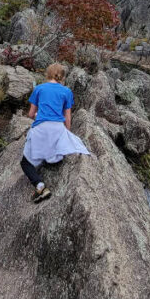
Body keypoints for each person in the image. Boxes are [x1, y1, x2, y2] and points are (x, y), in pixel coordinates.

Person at [22, 63, 90, 202]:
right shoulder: (66, 92)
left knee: (25, 163)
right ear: (62, 76)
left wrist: (38, 116)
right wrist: (66, 134)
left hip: (41, 128)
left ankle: (40, 186)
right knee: (54, 157)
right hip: (58, 129)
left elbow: (30, 114)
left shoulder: (39, 88)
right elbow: (68, 117)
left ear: (47, 74)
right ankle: (49, 159)